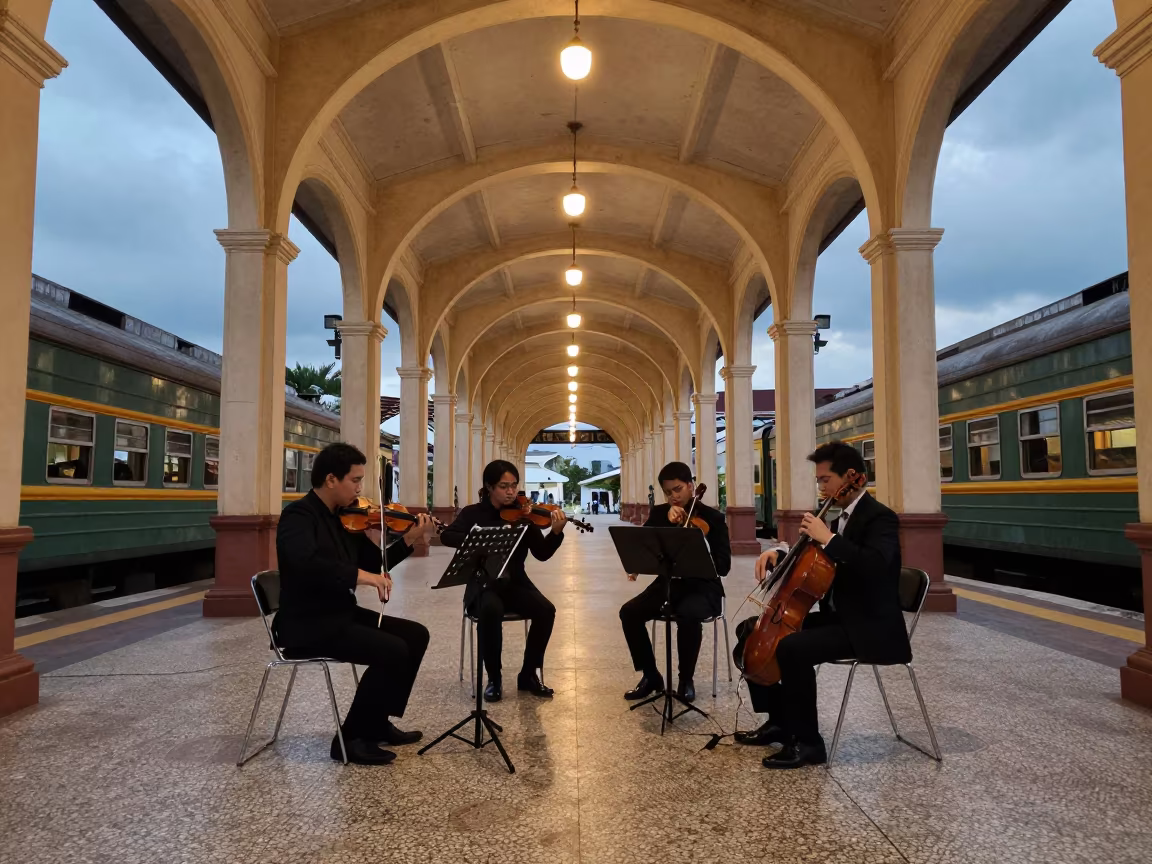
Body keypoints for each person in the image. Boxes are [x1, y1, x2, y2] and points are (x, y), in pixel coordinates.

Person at [735, 440, 910, 769]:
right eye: (819, 481)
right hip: (841, 619)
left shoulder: (880, 518)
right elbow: (815, 557)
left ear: (851, 477)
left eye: (825, 480)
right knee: (750, 630)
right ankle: (780, 722)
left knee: (791, 649)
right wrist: (778, 554)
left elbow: (876, 565)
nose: (821, 488)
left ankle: (809, 743)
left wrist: (829, 538)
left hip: (870, 627)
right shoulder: (838, 518)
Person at [274, 442, 436, 766]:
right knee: (392, 649)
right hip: (305, 624)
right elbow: (306, 565)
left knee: (416, 635)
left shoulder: (346, 519)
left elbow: (374, 563)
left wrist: (408, 539)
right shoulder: (298, 517)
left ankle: (376, 723)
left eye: (362, 481)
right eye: (355, 480)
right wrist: (361, 576)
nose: (360, 489)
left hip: (338, 615)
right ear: (331, 479)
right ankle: (348, 740)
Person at [441, 460, 567, 702]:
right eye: (503, 486)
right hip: (483, 584)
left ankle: (528, 674)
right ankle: (494, 678)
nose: (511, 491)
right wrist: (480, 537)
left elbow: (542, 554)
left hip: (516, 584)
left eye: (514, 485)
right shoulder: (472, 513)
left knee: (546, 610)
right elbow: (448, 536)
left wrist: (555, 532)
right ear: (489, 487)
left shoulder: (523, 516)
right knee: (490, 609)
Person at [619, 461, 730, 703]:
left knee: (687, 614)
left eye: (678, 489)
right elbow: (644, 543)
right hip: (668, 584)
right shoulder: (660, 513)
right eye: (668, 492)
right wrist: (637, 565)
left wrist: (702, 544)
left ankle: (685, 679)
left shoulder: (713, 518)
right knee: (629, 613)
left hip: (703, 586)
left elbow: (724, 567)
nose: (673, 497)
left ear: (691, 486)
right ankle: (651, 676)